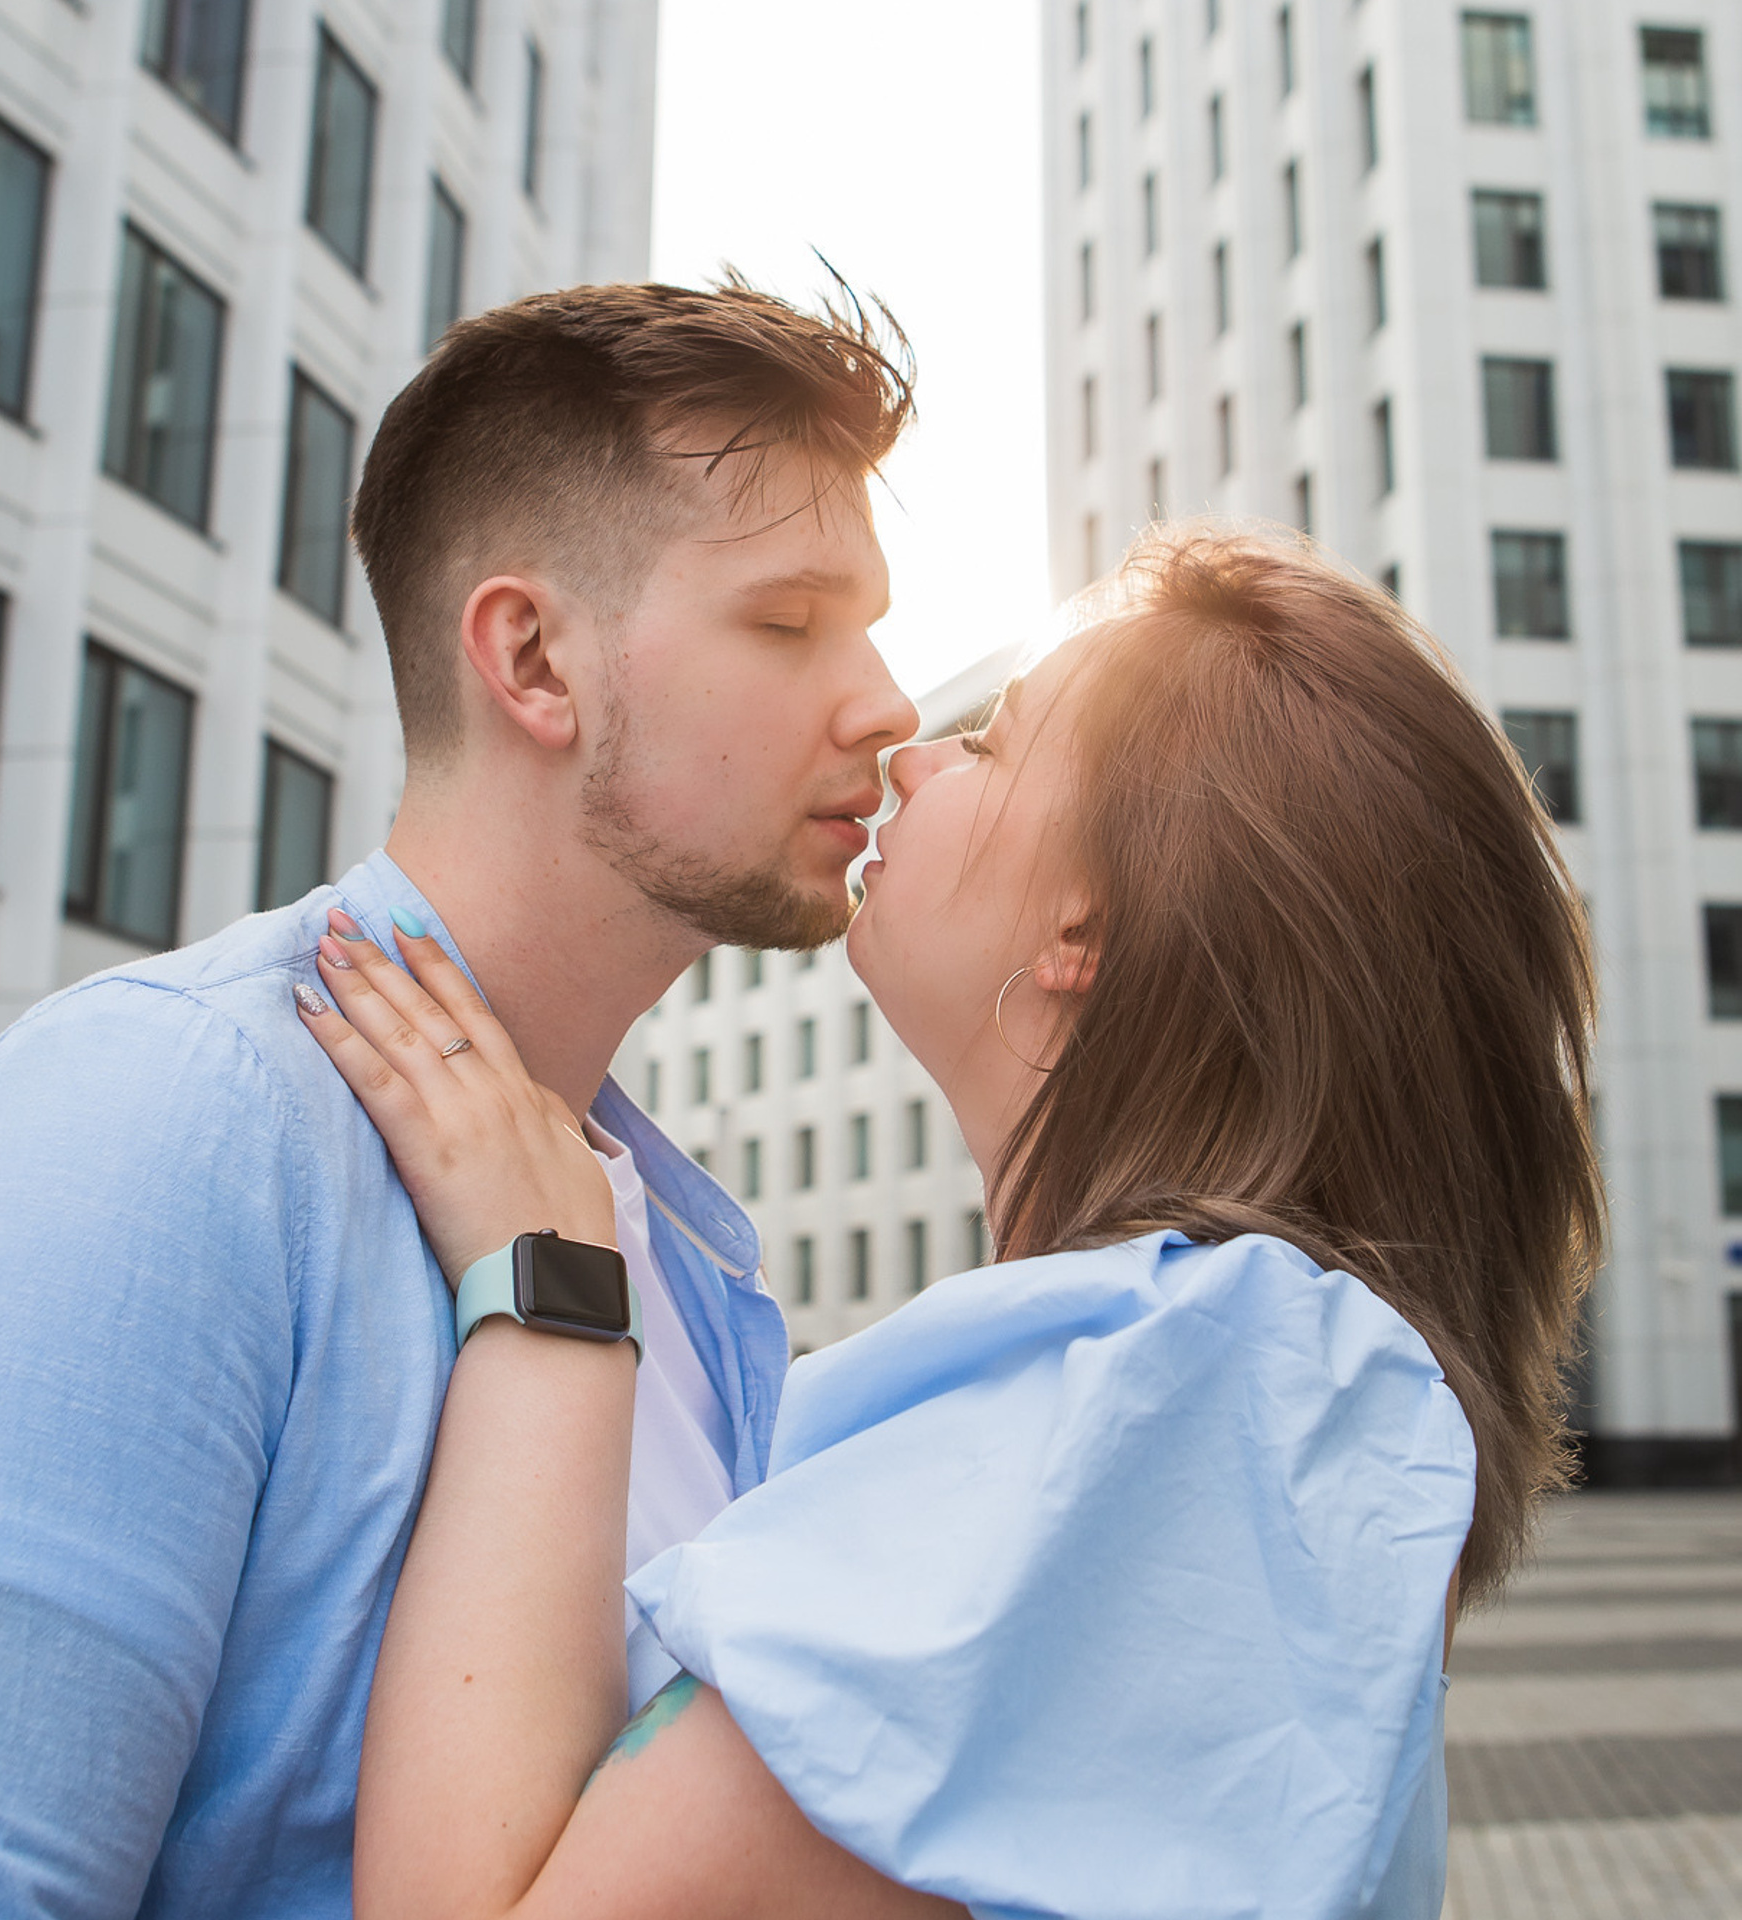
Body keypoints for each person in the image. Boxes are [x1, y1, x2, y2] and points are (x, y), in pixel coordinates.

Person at [296, 524, 1603, 1920]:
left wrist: (544, 1288)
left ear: (1082, 931)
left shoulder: (1184, 1386)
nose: (913, 749)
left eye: (993, 743)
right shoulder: (1215, 1374)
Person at [0, 280, 919, 1918]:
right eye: (789, 622)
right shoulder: (157, 1124)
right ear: (533, 657)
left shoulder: (682, 1245)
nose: (887, 704)